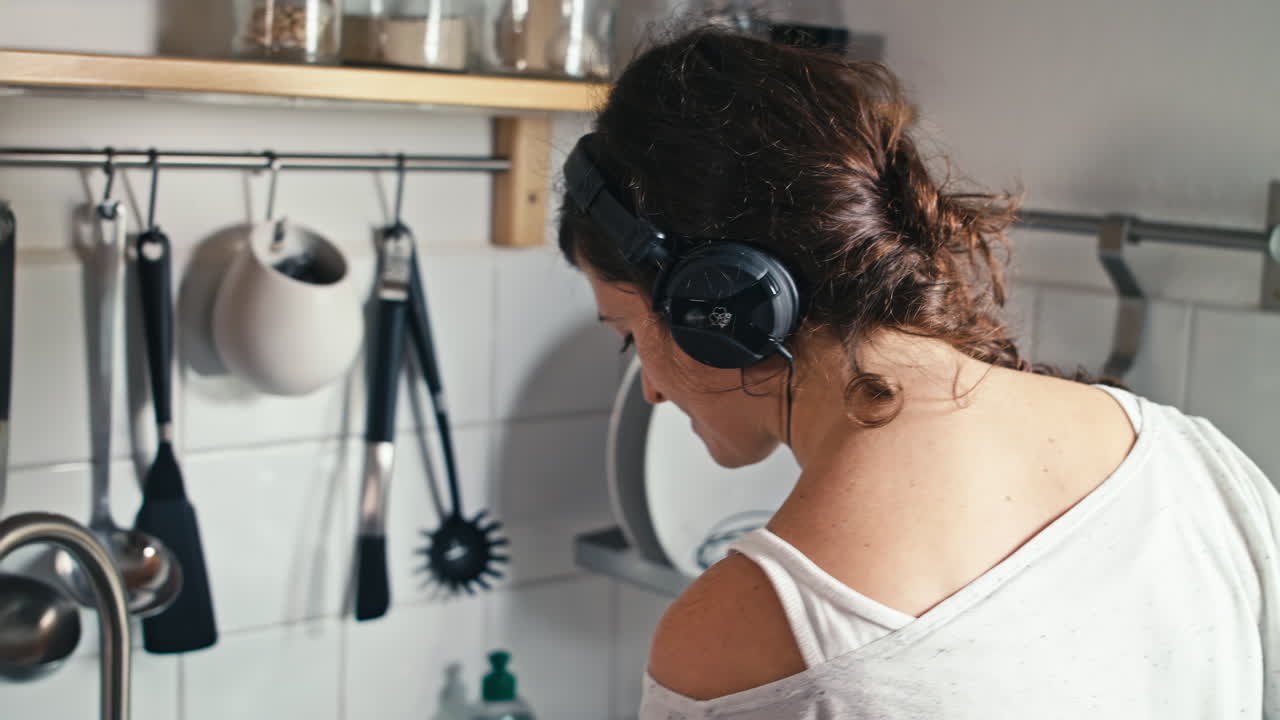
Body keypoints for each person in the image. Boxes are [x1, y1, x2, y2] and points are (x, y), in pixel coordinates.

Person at [557, 26, 1280, 720]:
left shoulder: (740, 639)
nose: (650, 387)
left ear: (718, 300)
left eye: (627, 335)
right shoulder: (1201, 464)